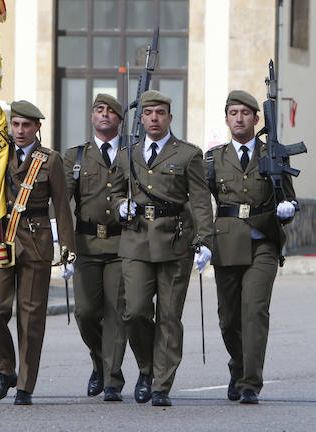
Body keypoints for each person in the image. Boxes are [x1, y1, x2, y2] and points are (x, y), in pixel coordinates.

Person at [114, 90, 214, 407]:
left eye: (160, 112)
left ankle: (160, 384)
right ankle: (146, 367)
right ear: (141, 118)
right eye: (149, 113)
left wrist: (205, 240)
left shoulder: (188, 154)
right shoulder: (127, 153)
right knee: (135, 312)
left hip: (174, 242)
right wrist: (120, 206)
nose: (154, 118)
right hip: (135, 240)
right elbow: (115, 191)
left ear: (170, 117)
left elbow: (200, 201)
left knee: (169, 317)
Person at [0, 100, 76, 406]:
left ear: (37, 128)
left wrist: (68, 248)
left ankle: (25, 385)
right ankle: (6, 369)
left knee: (31, 316)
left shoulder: (49, 160)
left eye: (26, 125)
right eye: (15, 124)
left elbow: (61, 205)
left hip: (36, 240)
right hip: (0, 238)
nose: (20, 131)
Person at [206, 90, 297, 405]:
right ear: (227, 118)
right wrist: (202, 241)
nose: (239, 118)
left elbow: (288, 195)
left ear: (257, 119)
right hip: (227, 242)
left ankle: (250, 384)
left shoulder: (272, 155)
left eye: (246, 113)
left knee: (254, 312)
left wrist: (288, 208)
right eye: (233, 113)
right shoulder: (214, 159)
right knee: (228, 318)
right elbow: (200, 203)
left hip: (263, 241)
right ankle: (239, 365)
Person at [63, 94, 129, 402]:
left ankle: (113, 379)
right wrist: (61, 244)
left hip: (121, 243)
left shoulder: (132, 154)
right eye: (100, 110)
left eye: (112, 111)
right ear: (92, 117)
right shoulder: (75, 156)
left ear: (119, 119)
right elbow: (62, 202)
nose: (105, 115)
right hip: (86, 244)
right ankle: (100, 360)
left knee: (117, 313)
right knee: (86, 313)